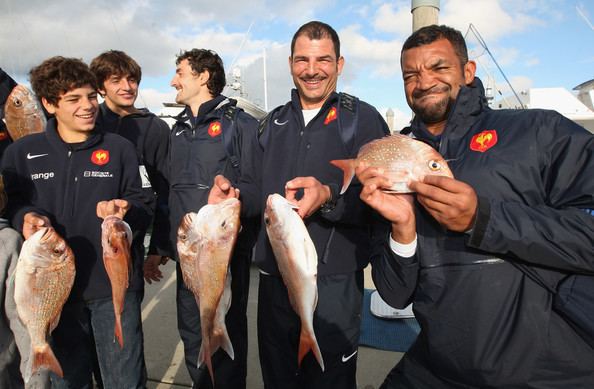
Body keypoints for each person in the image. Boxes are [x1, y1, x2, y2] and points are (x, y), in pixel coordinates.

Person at [357, 24, 594, 388]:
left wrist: (483, 218)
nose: (424, 82)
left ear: (468, 72)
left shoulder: (538, 130)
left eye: (439, 68)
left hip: (550, 371)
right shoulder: (395, 160)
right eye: (411, 74)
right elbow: (393, 293)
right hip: (439, 367)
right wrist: (402, 231)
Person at [209, 21, 389, 388]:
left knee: (330, 379)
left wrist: (329, 196)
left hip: (334, 281)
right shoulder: (270, 124)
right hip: (275, 281)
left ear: (339, 64)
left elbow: (380, 198)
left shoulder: (363, 119)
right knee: (278, 378)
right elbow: (257, 191)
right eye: (303, 60)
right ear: (290, 63)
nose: (312, 70)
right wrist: (234, 198)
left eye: (323, 60)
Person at [1, 56, 152, 388]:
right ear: (49, 104)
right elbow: (11, 206)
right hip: (52, 296)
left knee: (124, 382)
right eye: (74, 99)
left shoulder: (121, 149)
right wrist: (24, 217)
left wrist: (125, 213)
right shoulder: (21, 153)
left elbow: (144, 205)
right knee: (68, 383)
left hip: (113, 292)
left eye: (91, 97)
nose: (88, 106)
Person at [152, 48, 260, 388]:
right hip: (187, 258)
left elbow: (257, 186)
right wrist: (161, 246)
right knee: (193, 334)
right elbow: (170, 193)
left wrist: (234, 196)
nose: (173, 81)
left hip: (223, 259)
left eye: (180, 73)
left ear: (203, 76)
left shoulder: (239, 125)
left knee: (225, 334)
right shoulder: (178, 130)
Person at [90, 50, 172, 283]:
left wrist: (158, 246)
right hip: (84, 240)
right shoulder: (88, 122)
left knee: (125, 315)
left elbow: (165, 188)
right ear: (100, 87)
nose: (127, 86)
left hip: (130, 240)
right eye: (116, 80)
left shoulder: (155, 128)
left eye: (132, 80)